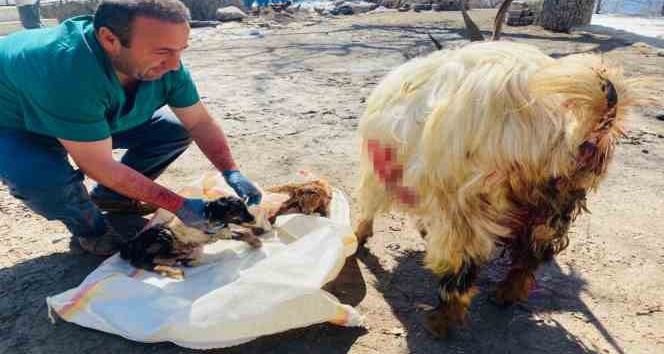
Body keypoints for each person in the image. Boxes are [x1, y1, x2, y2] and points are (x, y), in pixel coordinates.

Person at [0, 0, 262, 256]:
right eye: (162, 52)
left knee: (173, 128)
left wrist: (231, 170)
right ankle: (90, 231)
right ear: (110, 40)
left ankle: (113, 198)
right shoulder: (65, 70)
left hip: (77, 107)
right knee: (40, 179)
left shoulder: (168, 66)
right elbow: (99, 165)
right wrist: (178, 205)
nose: (174, 65)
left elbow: (199, 122)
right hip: (16, 120)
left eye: (180, 50)